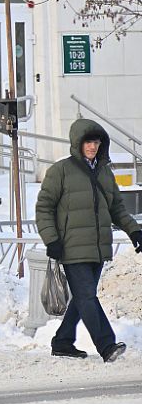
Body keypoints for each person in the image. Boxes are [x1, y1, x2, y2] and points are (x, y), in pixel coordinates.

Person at [35, 118, 142, 362]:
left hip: (98, 248)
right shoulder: (60, 171)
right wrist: (51, 239)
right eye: (88, 142)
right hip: (71, 248)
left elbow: (117, 208)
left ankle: (62, 342)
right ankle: (107, 346)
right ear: (77, 143)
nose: (92, 146)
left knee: (84, 298)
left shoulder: (104, 172)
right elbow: (44, 208)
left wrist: (134, 231)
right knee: (87, 297)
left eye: (96, 141)